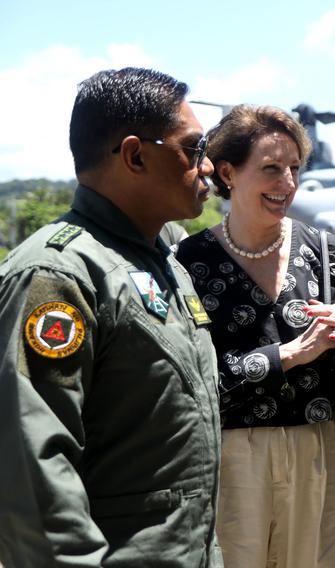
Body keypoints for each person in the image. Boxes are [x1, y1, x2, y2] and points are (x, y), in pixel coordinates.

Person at [0, 67, 221, 567]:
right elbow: (31, 472)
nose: (207, 167)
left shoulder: (162, 263)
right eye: (194, 149)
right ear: (135, 155)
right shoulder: (57, 276)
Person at [175, 105, 335, 568]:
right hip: (234, 458)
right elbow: (193, 381)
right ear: (227, 172)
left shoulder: (326, 250)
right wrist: (290, 353)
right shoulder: (188, 262)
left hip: (323, 448)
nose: (287, 184)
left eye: (294, 168)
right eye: (271, 169)